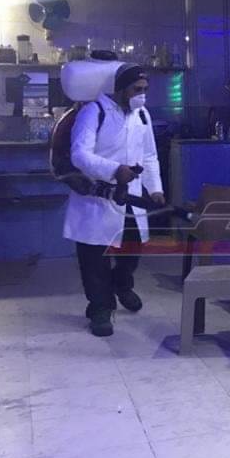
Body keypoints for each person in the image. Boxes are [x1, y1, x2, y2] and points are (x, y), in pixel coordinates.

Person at [63, 64, 164, 337]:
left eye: (145, 89)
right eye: (137, 89)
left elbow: (150, 155)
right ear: (120, 89)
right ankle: (100, 307)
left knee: (131, 251)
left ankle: (122, 285)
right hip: (97, 198)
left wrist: (155, 189)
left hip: (131, 197)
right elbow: (79, 155)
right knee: (95, 258)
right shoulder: (93, 112)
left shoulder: (142, 114)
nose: (142, 95)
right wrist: (114, 170)